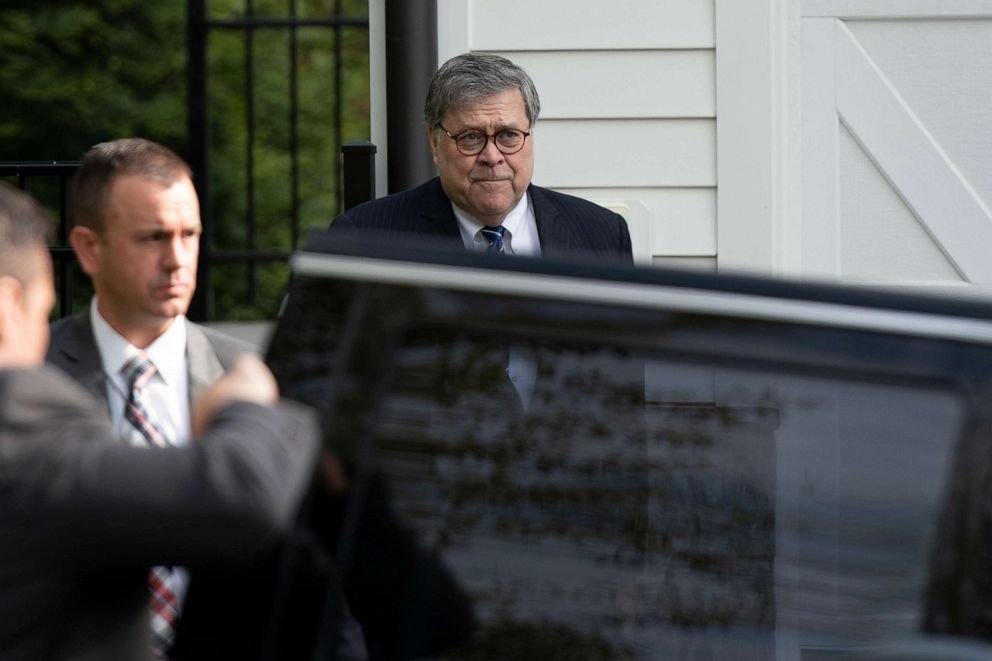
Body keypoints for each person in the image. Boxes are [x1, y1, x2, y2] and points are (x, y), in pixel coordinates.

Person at [0, 181, 319, 660]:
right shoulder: (19, 413)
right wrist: (248, 405)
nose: (175, 258)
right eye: (41, 307)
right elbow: (240, 491)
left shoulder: (225, 356)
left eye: (189, 234)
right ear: (6, 309)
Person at [45, 138, 251, 656]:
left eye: (190, 234)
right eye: (154, 237)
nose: (178, 259)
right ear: (89, 248)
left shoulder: (248, 376)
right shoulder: (29, 376)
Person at [330, 52, 633, 262]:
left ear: (530, 134)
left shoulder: (603, 234)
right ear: (435, 143)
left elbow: (625, 353)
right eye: (471, 138)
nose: (492, 156)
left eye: (508, 135)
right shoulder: (367, 238)